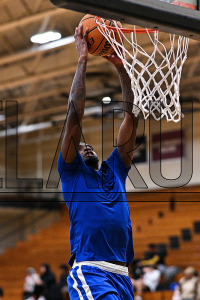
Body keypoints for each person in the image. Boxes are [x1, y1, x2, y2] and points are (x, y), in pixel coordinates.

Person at [57, 24, 139, 300]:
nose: (86, 146)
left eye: (89, 145)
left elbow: (132, 116)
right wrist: (82, 60)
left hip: (123, 276)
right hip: (91, 271)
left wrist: (120, 66)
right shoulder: (71, 173)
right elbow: (74, 116)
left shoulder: (115, 170)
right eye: (80, 147)